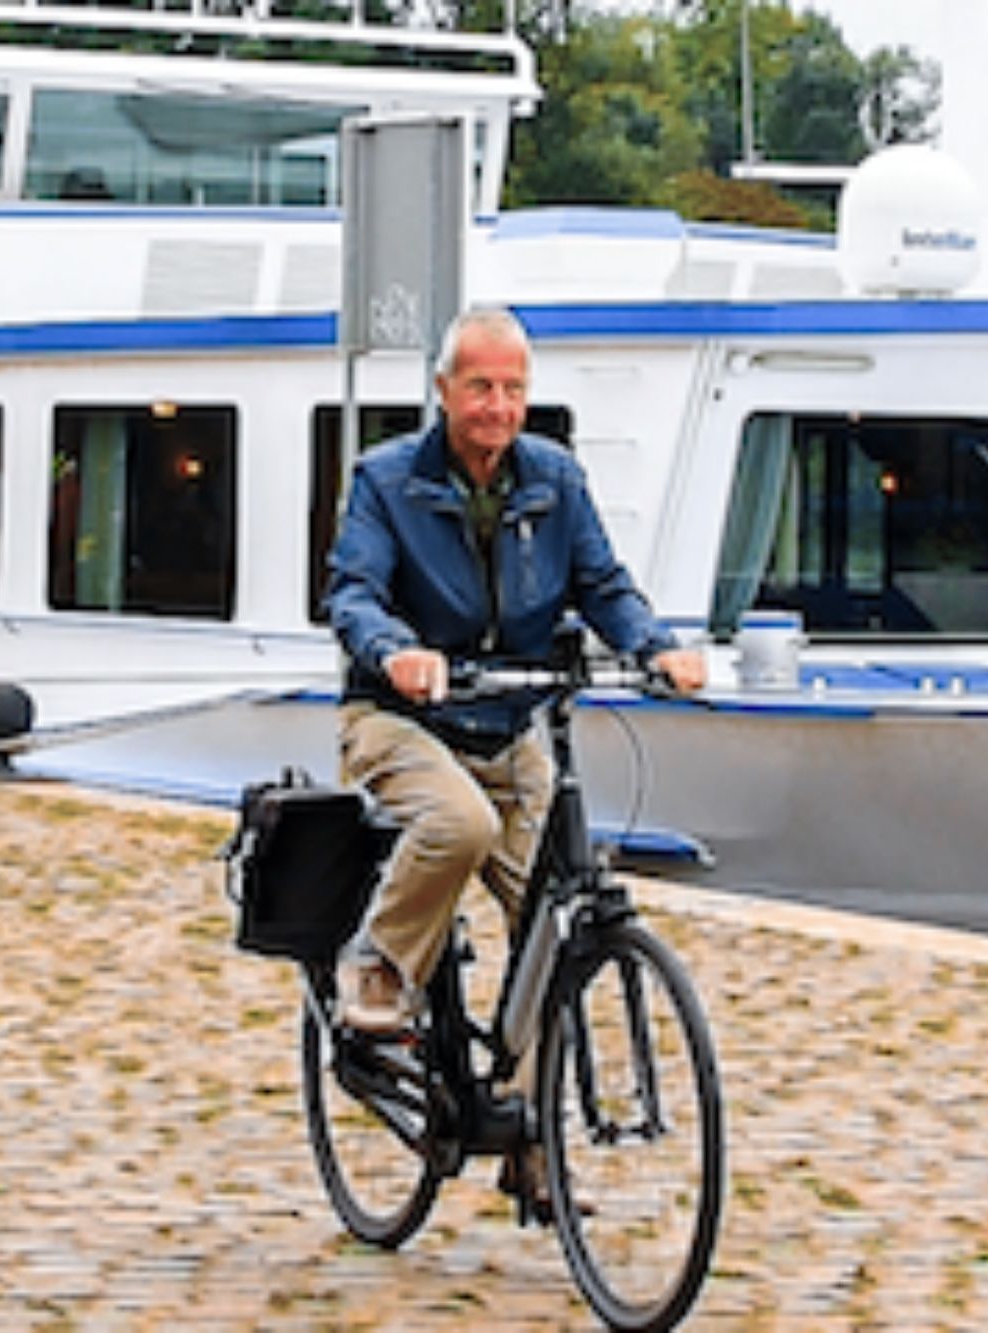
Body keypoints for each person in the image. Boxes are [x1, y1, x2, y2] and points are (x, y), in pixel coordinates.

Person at [323, 305, 705, 1208]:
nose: (498, 406)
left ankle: (530, 1133)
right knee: (458, 823)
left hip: (510, 722)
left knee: (556, 920)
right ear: (444, 390)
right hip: (399, 718)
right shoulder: (386, 480)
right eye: (481, 386)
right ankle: (377, 965)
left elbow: (604, 585)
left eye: (514, 389)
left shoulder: (555, 479)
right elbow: (353, 590)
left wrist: (655, 645)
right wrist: (396, 654)